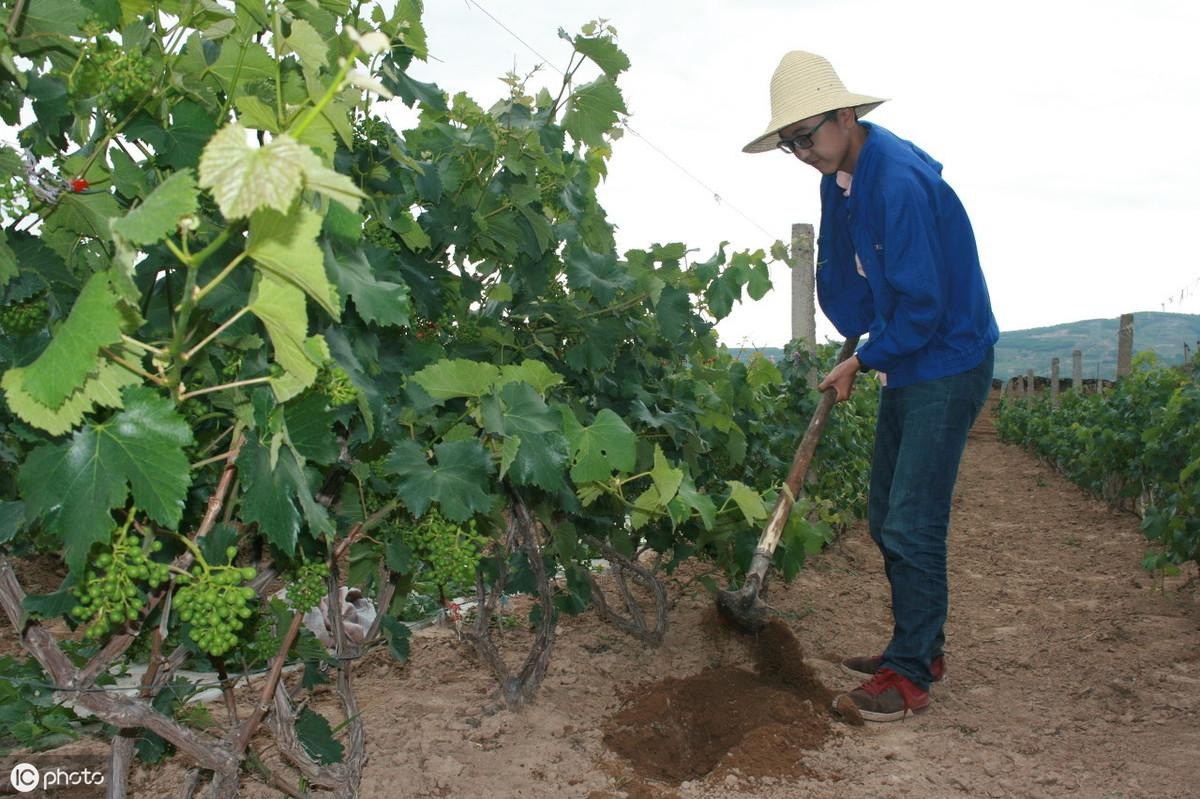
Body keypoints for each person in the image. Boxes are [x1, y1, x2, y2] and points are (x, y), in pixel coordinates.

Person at [743, 51, 999, 722]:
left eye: (808, 135)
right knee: (886, 513)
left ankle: (910, 677)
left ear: (847, 115)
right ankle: (919, 646)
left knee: (913, 523)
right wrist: (856, 331)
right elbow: (849, 284)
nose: (801, 151)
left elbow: (924, 305)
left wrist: (863, 360)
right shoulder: (843, 178)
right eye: (790, 142)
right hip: (910, 357)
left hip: (945, 359)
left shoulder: (900, 184)